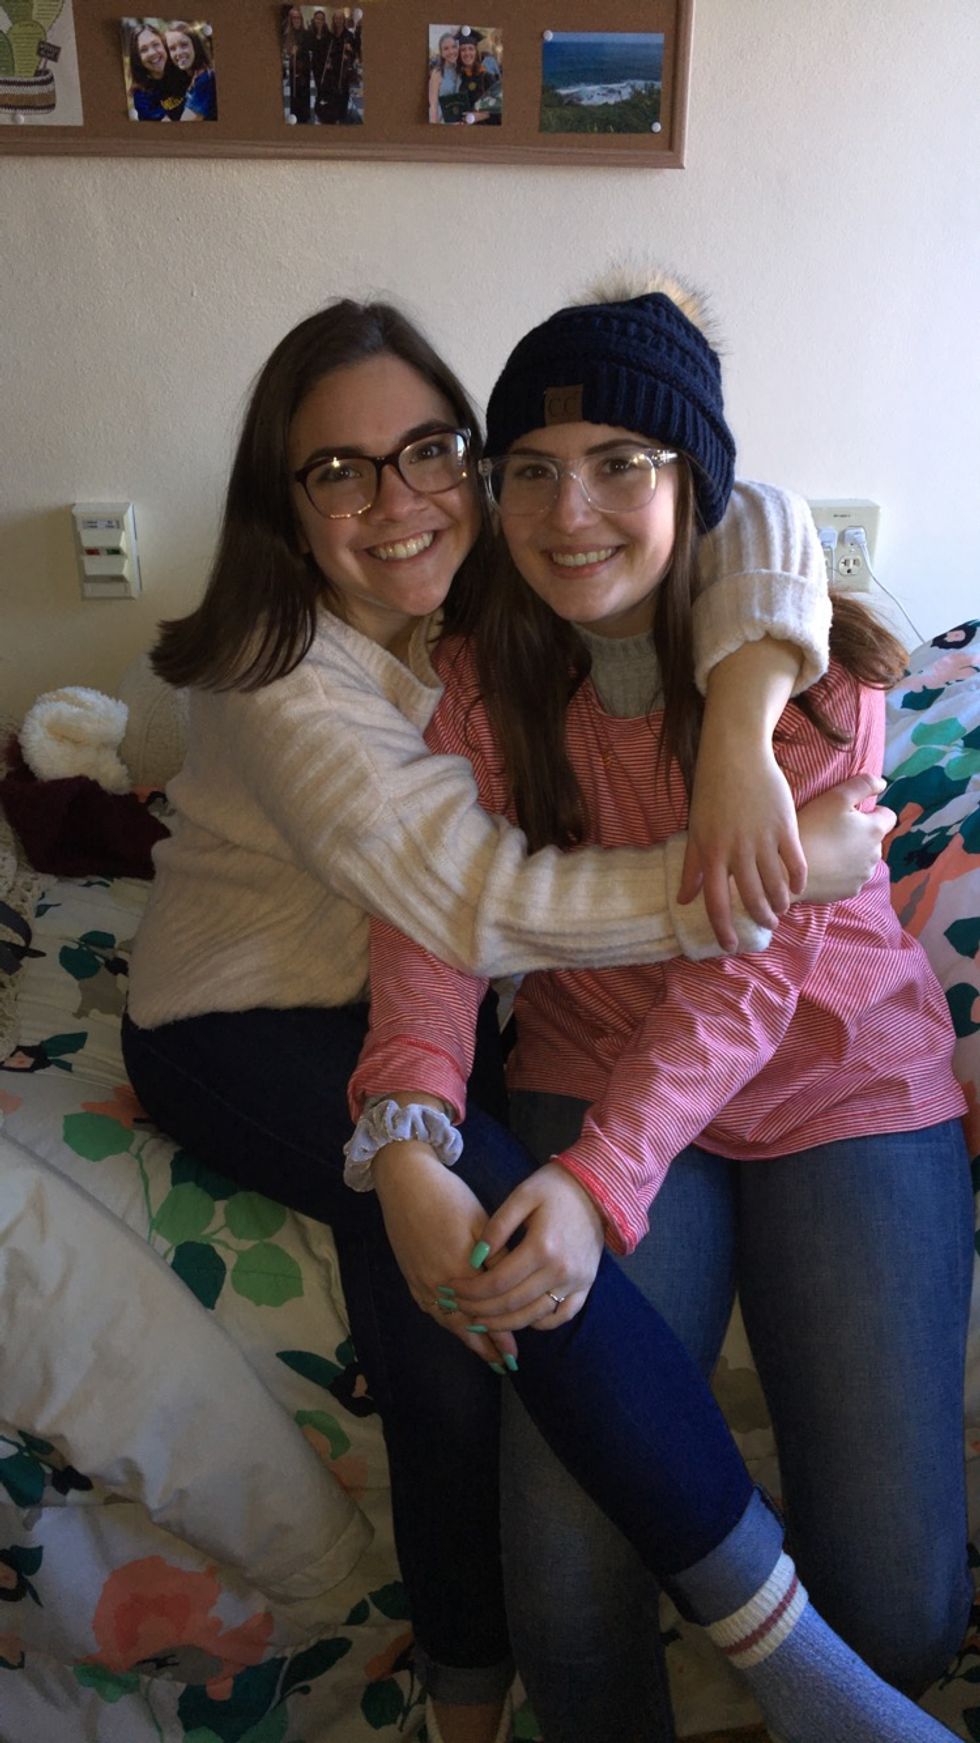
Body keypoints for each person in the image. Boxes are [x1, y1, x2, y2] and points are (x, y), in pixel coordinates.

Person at [121, 295, 898, 1743]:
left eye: (430, 450)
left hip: (437, 1006)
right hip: (240, 1017)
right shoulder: (293, 677)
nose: (400, 500)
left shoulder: (501, 588)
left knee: (441, 1277)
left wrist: (742, 733)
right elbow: (469, 906)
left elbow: (756, 512)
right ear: (282, 504)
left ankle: (466, 1695)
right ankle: (746, 1660)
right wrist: (753, 869)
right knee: (473, 1244)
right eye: (339, 470)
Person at [350, 275, 972, 1743]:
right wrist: (405, 1123)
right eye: (532, 471)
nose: (570, 514)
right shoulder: (479, 679)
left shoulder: (812, 681)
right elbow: (434, 908)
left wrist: (594, 1182)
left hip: (842, 1079)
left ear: (693, 482)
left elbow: (748, 967)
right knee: (564, 1591)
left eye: (620, 464)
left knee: (897, 1609)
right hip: (593, 1063)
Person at [127, 21, 188, 122]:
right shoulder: (141, 97)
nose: (152, 52)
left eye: (155, 45)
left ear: (164, 45)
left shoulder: (183, 70)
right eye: (144, 50)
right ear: (137, 58)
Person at [312, 8, 358, 125]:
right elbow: (324, 51)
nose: (338, 21)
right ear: (333, 20)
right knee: (333, 94)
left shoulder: (349, 35)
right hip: (332, 71)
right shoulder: (330, 35)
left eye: (340, 18)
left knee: (344, 92)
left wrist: (350, 52)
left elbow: (355, 55)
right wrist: (326, 62)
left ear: (343, 20)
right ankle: (333, 115)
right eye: (336, 18)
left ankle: (342, 116)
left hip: (343, 71)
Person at [164, 22, 217, 122]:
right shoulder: (187, 78)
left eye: (184, 45)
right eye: (172, 48)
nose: (179, 53)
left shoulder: (205, 79)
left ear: (195, 46)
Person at [282, 5, 312, 124]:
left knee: (304, 90)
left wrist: (298, 49)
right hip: (293, 66)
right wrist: (290, 51)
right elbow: (286, 50)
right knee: (294, 91)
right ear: (291, 19)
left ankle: (305, 115)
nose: (296, 20)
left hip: (304, 66)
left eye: (298, 17)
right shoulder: (288, 34)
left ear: (301, 19)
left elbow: (309, 47)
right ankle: (295, 115)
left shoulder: (306, 33)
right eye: (294, 18)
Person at [429, 31, 461, 124]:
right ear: (442, 53)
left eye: (454, 47)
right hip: (442, 121)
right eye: (446, 49)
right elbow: (433, 105)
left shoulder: (460, 70)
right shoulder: (437, 73)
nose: (451, 51)